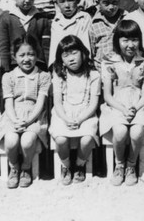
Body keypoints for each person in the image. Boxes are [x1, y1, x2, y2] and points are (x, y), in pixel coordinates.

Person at [100, 20, 144, 186]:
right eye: (125, 40)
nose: (130, 45)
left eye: (134, 40)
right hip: (116, 106)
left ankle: (131, 165)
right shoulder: (110, 62)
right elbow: (108, 96)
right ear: (117, 41)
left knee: (137, 132)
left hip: (139, 105)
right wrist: (123, 109)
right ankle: (120, 164)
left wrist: (135, 108)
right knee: (121, 131)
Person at [0, 35, 49, 189]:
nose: (27, 59)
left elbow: (40, 103)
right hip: (13, 116)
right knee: (11, 140)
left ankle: (26, 167)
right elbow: (8, 103)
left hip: (35, 116)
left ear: (37, 55)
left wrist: (29, 121)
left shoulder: (43, 76)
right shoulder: (8, 77)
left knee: (27, 140)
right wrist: (15, 120)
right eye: (22, 55)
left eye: (31, 54)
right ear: (14, 57)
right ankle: (14, 167)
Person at [49, 35, 100, 185]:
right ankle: (66, 165)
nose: (71, 58)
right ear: (61, 59)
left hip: (86, 114)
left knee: (87, 139)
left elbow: (93, 104)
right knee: (61, 139)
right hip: (63, 113)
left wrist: (80, 119)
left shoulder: (93, 75)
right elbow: (57, 103)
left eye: (74, 53)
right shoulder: (59, 75)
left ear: (83, 53)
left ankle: (79, 164)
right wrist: (65, 119)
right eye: (66, 55)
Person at [0, 0, 51, 72]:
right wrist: (6, 72)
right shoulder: (6, 18)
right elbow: (4, 48)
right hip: (14, 69)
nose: (27, 0)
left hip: (38, 68)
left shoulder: (42, 17)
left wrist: (48, 70)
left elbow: (46, 47)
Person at [48, 0, 91, 67]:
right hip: (63, 66)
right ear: (56, 3)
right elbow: (54, 50)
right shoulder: (56, 22)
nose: (67, 5)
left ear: (78, 0)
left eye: (71, 0)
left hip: (82, 65)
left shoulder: (84, 18)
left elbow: (86, 46)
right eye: (62, 1)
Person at [89, 0, 126, 71]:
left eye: (114, 2)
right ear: (98, 3)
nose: (111, 7)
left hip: (122, 67)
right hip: (101, 68)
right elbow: (91, 50)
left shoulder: (126, 18)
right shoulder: (94, 24)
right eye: (106, 3)